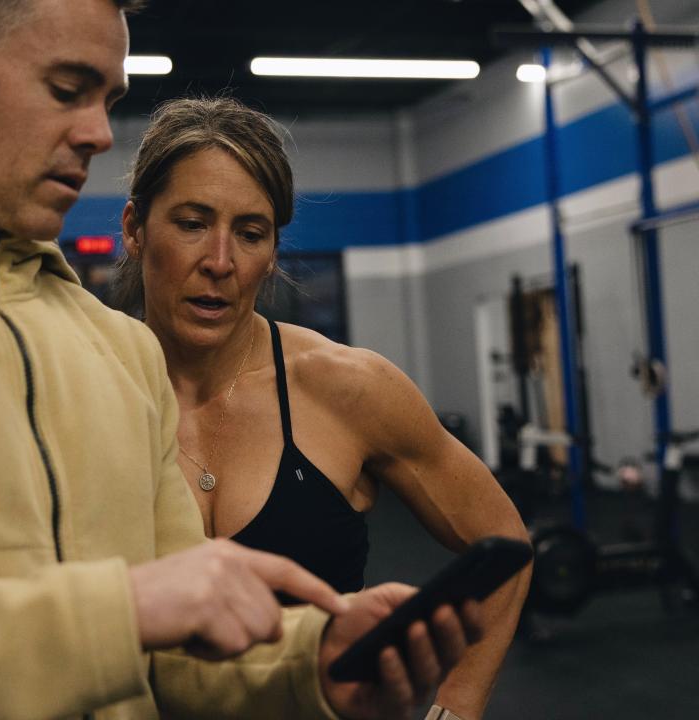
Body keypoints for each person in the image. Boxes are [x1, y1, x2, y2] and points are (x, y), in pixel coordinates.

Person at [0, 2, 483, 719]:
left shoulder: (118, 351)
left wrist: (310, 662)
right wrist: (115, 616)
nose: (99, 133)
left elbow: (177, 651)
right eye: (67, 90)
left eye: (108, 98)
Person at [115, 96, 532, 720]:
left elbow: (502, 543)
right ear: (135, 229)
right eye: (193, 222)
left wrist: (456, 708)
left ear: (273, 252)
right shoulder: (90, 388)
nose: (221, 261)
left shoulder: (345, 388)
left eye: (251, 234)